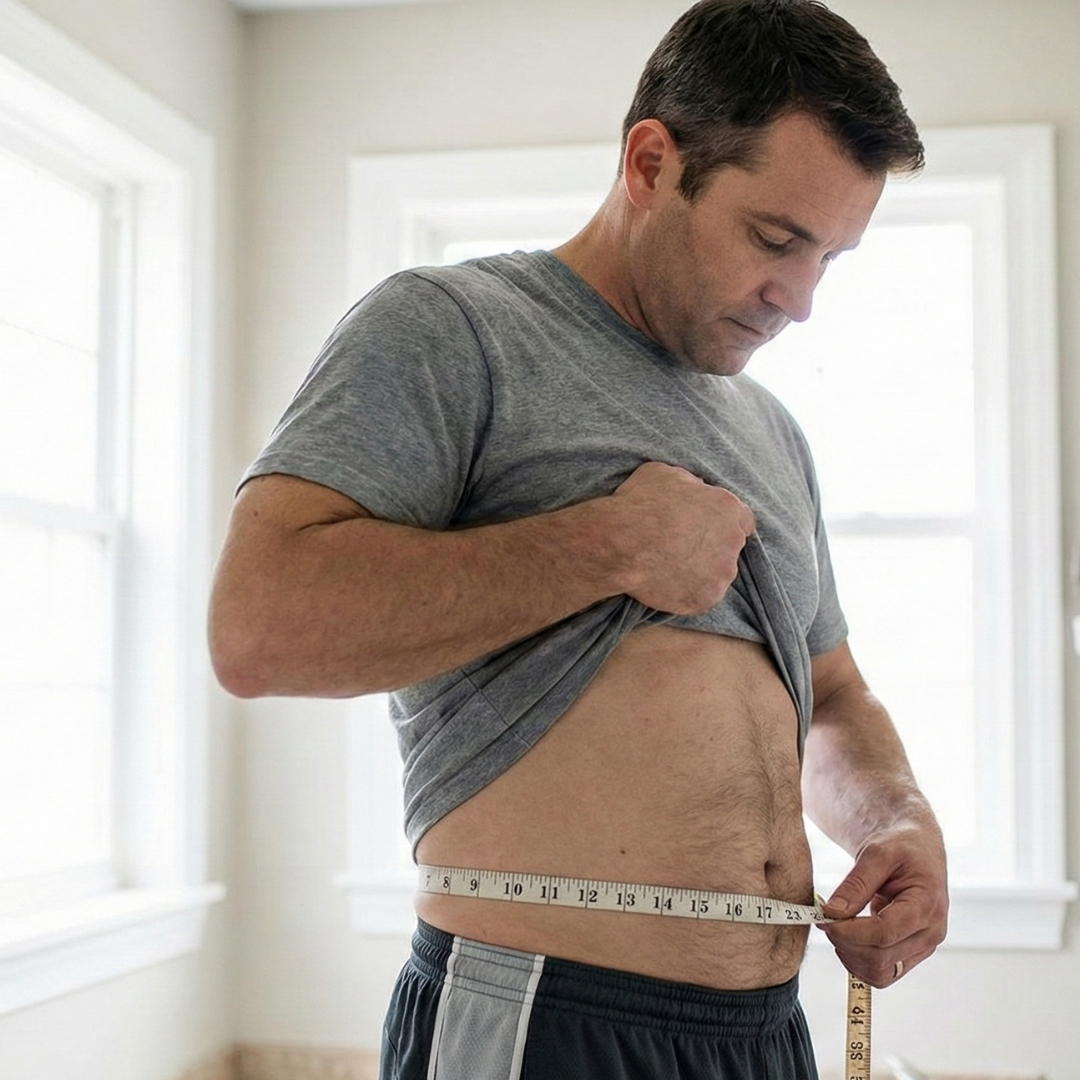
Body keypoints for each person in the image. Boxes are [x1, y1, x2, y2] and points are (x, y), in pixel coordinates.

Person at [209, 1, 949, 1076]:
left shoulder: (772, 432)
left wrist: (898, 820)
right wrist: (603, 547)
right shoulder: (454, 329)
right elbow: (256, 627)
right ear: (651, 161)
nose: (798, 301)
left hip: (762, 1035)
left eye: (829, 259)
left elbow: (832, 697)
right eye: (775, 240)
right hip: (546, 1020)